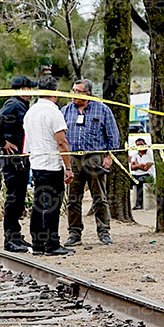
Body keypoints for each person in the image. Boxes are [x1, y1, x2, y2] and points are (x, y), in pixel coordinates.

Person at [60, 79, 120, 246]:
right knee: (73, 198)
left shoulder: (102, 110)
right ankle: (74, 233)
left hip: (95, 157)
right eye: (72, 90)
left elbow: (113, 136)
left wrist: (109, 157)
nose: (74, 95)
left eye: (78, 91)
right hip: (73, 159)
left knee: (99, 198)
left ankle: (104, 231)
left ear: (87, 94)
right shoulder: (65, 111)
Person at [23, 76, 74, 256]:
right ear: (54, 92)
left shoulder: (31, 112)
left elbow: (27, 141)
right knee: (52, 205)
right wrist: (68, 167)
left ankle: (37, 243)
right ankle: (51, 244)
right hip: (52, 165)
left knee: (38, 204)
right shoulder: (54, 112)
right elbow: (61, 142)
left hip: (36, 164)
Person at [0, 75, 36, 253]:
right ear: (22, 89)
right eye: (29, 89)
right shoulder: (14, 104)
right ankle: (10, 238)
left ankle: (16, 235)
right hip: (13, 159)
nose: (31, 92)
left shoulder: (20, 105)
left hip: (20, 158)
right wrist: (3, 143)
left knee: (19, 199)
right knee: (14, 198)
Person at [130, 138, 154, 210]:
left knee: (139, 181)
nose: (139, 147)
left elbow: (146, 168)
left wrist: (137, 165)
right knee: (129, 179)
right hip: (137, 175)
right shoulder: (135, 154)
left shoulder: (150, 154)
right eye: (138, 145)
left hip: (148, 175)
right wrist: (140, 165)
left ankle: (139, 204)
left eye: (141, 145)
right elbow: (132, 167)